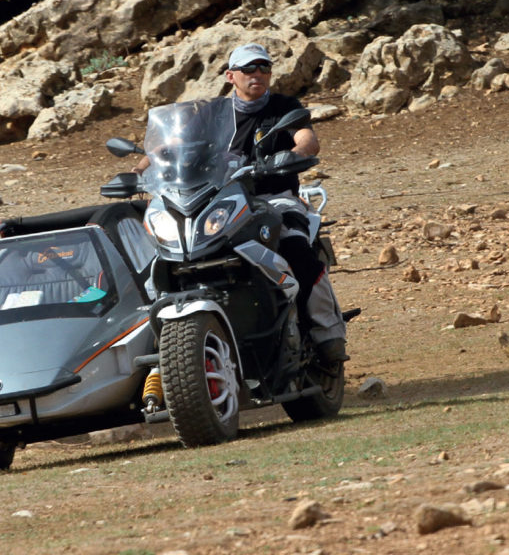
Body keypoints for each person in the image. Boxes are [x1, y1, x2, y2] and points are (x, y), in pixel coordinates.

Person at [133, 43, 348, 368]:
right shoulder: (211, 113)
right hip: (221, 199)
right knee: (162, 255)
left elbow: (306, 137)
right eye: (249, 69)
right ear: (231, 75)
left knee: (295, 248)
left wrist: (294, 153)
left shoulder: (283, 106)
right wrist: (141, 167)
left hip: (272, 198)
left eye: (264, 67)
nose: (257, 74)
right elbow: (173, 142)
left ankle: (327, 332)